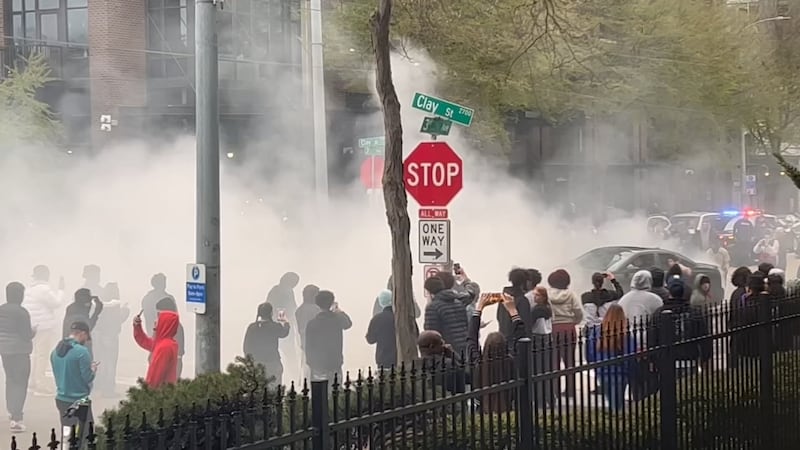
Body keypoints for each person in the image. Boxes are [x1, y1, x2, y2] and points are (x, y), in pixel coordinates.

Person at [468, 292, 525, 413]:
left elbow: (471, 338)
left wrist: (479, 308)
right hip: (509, 410)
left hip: (483, 411)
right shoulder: (512, 362)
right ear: (504, 346)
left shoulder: (478, 364)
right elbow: (520, 337)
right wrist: (512, 310)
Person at [650, 281, 712, 377]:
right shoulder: (694, 312)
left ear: (669, 293)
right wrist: (705, 357)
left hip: (666, 361)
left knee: (669, 389)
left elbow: (653, 338)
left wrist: (653, 359)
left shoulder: (658, 313)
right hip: (689, 359)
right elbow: (704, 337)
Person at [23, 265, 64, 396]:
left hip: (31, 326)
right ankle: (40, 384)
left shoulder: (29, 289)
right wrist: (61, 290)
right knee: (42, 355)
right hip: (43, 326)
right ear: (47, 275)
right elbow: (56, 303)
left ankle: (32, 381)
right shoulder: (44, 289)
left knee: (34, 354)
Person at [0, 282, 35, 432]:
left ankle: (11, 410)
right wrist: (33, 332)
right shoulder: (22, 312)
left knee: (11, 379)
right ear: (20, 295)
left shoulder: (1, 309)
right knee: (21, 383)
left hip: (5, 351)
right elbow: (26, 334)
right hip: (20, 351)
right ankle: (17, 417)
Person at [586, 304, 635, 410]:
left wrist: (595, 366)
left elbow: (590, 352)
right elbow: (630, 354)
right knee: (618, 403)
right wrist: (629, 371)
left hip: (602, 371)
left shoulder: (597, 331)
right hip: (620, 372)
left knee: (610, 400)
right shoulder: (624, 333)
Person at [51, 322, 98, 430]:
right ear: (82, 333)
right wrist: (93, 370)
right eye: (86, 337)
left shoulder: (55, 351)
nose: (86, 341)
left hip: (61, 398)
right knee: (86, 433)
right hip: (79, 399)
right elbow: (88, 378)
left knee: (67, 433)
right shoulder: (82, 352)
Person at [546, 269, 583, 399]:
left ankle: (554, 389)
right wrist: (574, 321)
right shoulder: (571, 295)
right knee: (569, 361)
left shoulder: (547, 295)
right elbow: (578, 311)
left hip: (553, 328)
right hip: (568, 328)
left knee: (553, 362)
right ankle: (570, 389)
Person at [92, 282, 130, 397]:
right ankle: (108, 389)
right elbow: (117, 320)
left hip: (99, 335)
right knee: (110, 363)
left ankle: (98, 385)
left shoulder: (101, 304)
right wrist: (126, 310)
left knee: (100, 362)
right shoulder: (114, 305)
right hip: (111, 336)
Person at [305, 291, 352, 382]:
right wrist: (339, 311)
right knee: (336, 393)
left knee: (319, 393)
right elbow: (348, 324)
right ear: (332, 303)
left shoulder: (312, 323)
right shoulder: (337, 320)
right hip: (334, 363)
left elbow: (309, 346)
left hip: (318, 365)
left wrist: (311, 363)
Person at [243, 302, 291, 384]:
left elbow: (246, 346)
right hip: (272, 361)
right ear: (271, 313)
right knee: (274, 387)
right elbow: (284, 333)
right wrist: (285, 322)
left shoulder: (252, 327)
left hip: (256, 362)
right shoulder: (274, 326)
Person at [423, 275, 470, 357]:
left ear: (430, 292)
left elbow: (431, 333)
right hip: (464, 346)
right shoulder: (459, 303)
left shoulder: (433, 307)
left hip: (448, 350)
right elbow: (466, 325)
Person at [133, 309, 179, 388]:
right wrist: (137, 327)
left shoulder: (164, 347)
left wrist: (147, 393)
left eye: (158, 320)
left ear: (165, 324)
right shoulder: (165, 342)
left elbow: (155, 375)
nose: (155, 323)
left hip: (160, 393)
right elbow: (145, 341)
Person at [267, 272, 301, 378]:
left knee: (288, 352)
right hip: (281, 327)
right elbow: (280, 309)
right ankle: (294, 375)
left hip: (279, 326)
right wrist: (284, 322)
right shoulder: (282, 291)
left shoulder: (282, 290)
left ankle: (293, 375)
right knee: (288, 352)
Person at [416, 330, 467, 395]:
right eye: (441, 343)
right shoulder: (449, 364)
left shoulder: (413, 367)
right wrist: (454, 355)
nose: (445, 346)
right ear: (432, 347)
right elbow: (469, 376)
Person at [529, 285, 554, 408]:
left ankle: (540, 398)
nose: (534, 297)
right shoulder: (548, 308)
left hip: (538, 338)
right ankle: (549, 397)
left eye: (537, 295)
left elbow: (530, 323)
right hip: (547, 338)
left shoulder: (538, 310)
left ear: (543, 297)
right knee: (545, 368)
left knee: (537, 369)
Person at [496, 268, 534, 338]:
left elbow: (498, 317)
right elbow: (525, 322)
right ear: (524, 282)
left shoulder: (503, 298)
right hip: (518, 339)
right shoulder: (522, 300)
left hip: (503, 336)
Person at [155, 297, 185, 378]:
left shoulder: (177, 328)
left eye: (160, 313)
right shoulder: (160, 326)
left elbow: (179, 353)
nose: (158, 316)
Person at [295, 284, 320, 378]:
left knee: (308, 368)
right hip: (317, 344)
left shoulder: (299, 310)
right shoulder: (316, 310)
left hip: (305, 342)